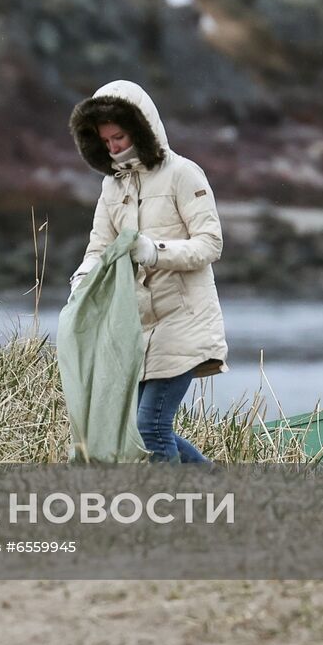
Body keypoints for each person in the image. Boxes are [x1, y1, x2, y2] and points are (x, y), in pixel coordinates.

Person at [68, 80, 227, 463]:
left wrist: (151, 251)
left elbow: (210, 244)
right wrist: (83, 278)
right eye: (106, 141)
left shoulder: (183, 174)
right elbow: (100, 247)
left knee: (149, 428)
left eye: (119, 137)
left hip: (184, 324)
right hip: (135, 332)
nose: (114, 148)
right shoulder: (112, 185)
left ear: (141, 128)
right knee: (150, 429)